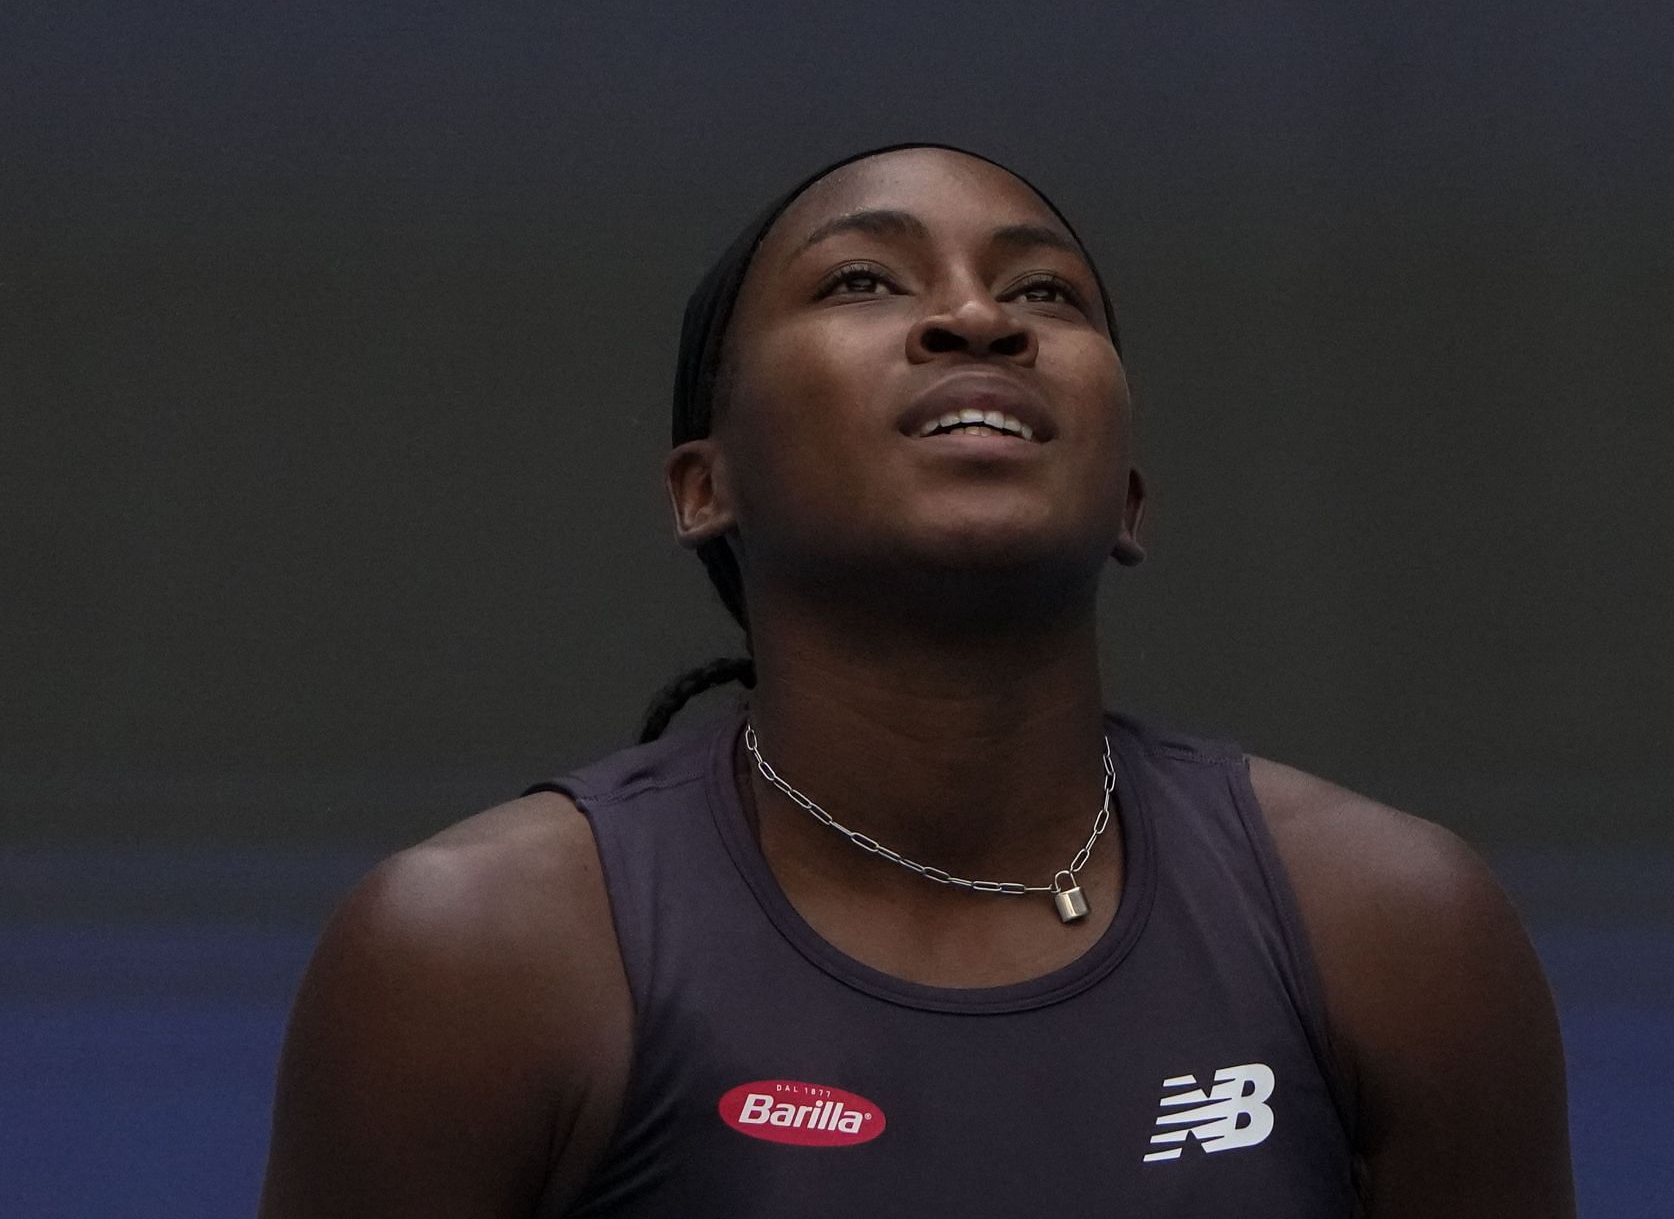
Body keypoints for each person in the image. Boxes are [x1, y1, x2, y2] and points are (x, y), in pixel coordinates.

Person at [259, 144, 1575, 1217]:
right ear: (702, 485)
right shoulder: (479, 958)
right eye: (862, 281)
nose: (977, 317)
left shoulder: (1394, 930)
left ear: (1127, 497)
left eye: (1048, 295)